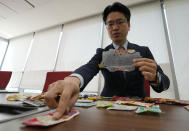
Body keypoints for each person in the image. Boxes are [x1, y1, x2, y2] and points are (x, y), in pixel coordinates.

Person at [45, 2, 170, 119]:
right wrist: (74, 79)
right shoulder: (103, 53)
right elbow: (90, 67)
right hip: (106, 109)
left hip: (138, 109)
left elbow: (165, 82)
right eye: (110, 24)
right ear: (107, 28)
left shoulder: (143, 51)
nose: (115, 27)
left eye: (120, 22)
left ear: (129, 25)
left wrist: (155, 78)